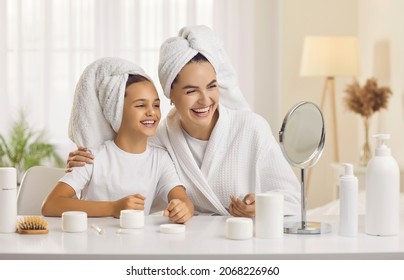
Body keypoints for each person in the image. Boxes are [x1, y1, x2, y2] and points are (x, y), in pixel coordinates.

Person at [66, 26, 300, 217]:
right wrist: (89, 159)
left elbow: (292, 198)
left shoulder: (251, 128)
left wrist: (261, 205)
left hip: (244, 241)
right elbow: (122, 166)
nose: (205, 100)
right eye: (191, 91)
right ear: (170, 95)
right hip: (185, 244)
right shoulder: (159, 139)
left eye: (212, 86)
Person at [42, 57, 194, 223]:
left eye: (156, 105)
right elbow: (50, 205)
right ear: (117, 111)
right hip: (93, 243)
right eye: (141, 105)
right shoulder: (91, 157)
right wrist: (114, 208)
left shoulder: (160, 159)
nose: (152, 112)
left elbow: (182, 198)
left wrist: (183, 208)